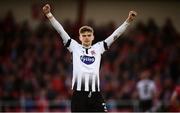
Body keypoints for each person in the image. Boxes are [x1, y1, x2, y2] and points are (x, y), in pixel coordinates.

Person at [42, 3, 137, 112]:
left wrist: (128, 21)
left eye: (88, 35)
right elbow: (61, 31)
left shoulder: (99, 47)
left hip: (95, 94)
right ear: (80, 37)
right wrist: (49, 15)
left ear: (93, 37)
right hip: (79, 95)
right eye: (84, 36)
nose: (86, 38)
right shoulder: (74, 47)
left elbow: (115, 35)